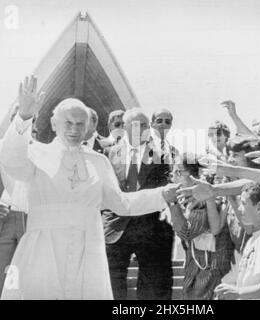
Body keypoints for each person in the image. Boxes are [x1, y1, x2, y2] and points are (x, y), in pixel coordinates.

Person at [0, 75, 176, 300]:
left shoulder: (98, 161)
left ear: (88, 128)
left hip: (88, 249)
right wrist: (24, 117)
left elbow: (122, 204)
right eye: (68, 123)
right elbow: (12, 162)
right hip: (45, 247)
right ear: (54, 124)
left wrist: (162, 194)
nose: (74, 129)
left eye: (80, 124)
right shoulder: (36, 153)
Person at [104, 108, 174, 300]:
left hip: (151, 232)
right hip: (115, 230)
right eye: (137, 124)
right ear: (125, 127)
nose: (143, 128)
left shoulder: (163, 156)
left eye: (145, 125)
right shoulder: (108, 154)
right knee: (110, 289)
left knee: (152, 291)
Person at [162, 153, 233, 300]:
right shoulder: (189, 198)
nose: (174, 178)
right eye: (173, 173)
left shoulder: (204, 197)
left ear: (194, 174)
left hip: (210, 268)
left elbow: (185, 232)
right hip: (197, 265)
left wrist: (172, 203)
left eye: (178, 172)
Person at [215, 183, 260, 300]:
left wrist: (238, 292)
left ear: (258, 207)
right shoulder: (254, 239)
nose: (239, 208)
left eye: (243, 203)